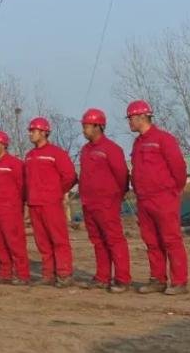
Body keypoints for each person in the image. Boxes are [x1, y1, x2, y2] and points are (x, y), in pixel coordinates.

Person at [128, 100, 189, 295]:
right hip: (144, 199)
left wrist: (173, 190)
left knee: (171, 239)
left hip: (163, 197)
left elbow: (178, 167)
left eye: (131, 118)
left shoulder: (163, 139)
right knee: (151, 241)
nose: (129, 122)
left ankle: (179, 282)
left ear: (142, 117)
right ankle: (158, 279)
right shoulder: (138, 143)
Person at [77, 108, 131, 292]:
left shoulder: (111, 149)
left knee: (114, 240)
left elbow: (121, 175)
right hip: (89, 203)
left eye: (86, 126)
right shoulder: (85, 150)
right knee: (98, 241)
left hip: (106, 203)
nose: (84, 130)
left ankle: (122, 278)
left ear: (98, 126)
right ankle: (102, 276)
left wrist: (116, 195)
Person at [24, 117, 78, 287]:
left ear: (44, 132)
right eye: (30, 131)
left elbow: (70, 176)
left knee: (58, 238)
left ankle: (64, 274)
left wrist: (56, 192)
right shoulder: (29, 156)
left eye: (33, 131)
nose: (30, 134)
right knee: (42, 241)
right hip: (35, 204)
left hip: (51, 204)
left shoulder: (56, 153)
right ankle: (48, 274)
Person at [0, 130, 29, 285]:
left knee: (15, 243)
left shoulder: (15, 164)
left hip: (11, 210)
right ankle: (5, 273)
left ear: (2, 144)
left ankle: (22, 274)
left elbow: (22, 186)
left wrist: (23, 205)